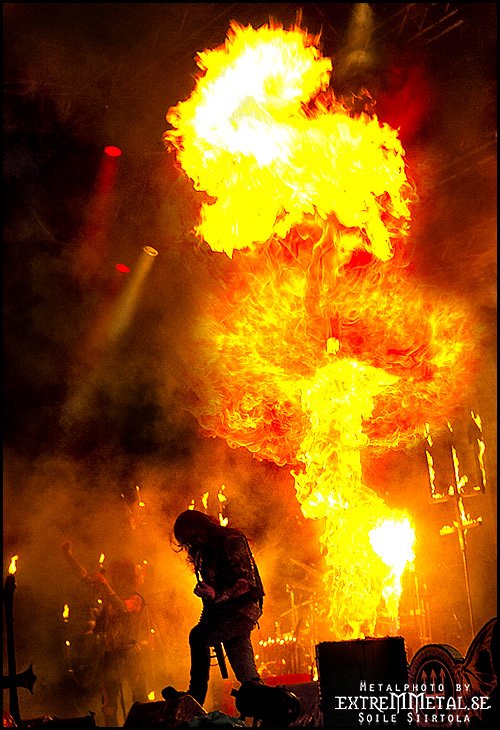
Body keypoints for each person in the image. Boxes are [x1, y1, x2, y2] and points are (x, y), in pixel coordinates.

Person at [166, 509, 264, 707]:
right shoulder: (203, 551)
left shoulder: (232, 540)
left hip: (241, 610)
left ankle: (196, 697)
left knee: (198, 636)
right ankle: (267, 704)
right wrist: (209, 599)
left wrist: (216, 595)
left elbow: (247, 582)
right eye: (189, 542)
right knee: (245, 673)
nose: (193, 543)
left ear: (201, 527)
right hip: (224, 613)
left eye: (193, 537)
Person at [61, 542, 148, 726]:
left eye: (117, 576)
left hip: (130, 653)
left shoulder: (136, 598)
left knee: (140, 698)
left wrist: (106, 586)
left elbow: (123, 608)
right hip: (110, 655)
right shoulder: (110, 594)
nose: (114, 579)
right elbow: (87, 578)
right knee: (109, 705)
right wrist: (69, 557)